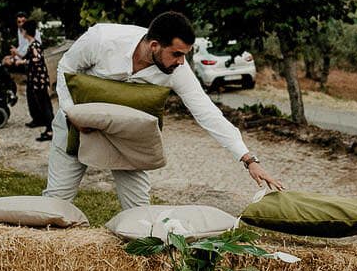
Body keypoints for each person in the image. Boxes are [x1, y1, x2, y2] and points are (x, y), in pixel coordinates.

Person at [43, 11, 284, 210]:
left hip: (128, 136)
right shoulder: (102, 39)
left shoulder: (177, 70)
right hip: (79, 124)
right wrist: (71, 113)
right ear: (155, 45)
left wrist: (249, 159)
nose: (181, 62)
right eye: (176, 54)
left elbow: (207, 112)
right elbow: (66, 68)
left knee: (139, 211)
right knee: (57, 200)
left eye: (185, 55)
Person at [20, 18, 54, 141]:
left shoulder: (34, 45)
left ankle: (50, 130)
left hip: (38, 80)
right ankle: (50, 128)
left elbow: (37, 60)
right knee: (45, 104)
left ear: (26, 32)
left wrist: (23, 62)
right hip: (38, 79)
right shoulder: (34, 44)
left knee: (44, 104)